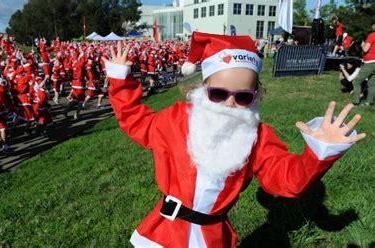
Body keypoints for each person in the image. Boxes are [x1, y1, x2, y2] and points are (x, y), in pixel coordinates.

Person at [103, 34, 366, 247]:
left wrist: (320, 153)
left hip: (213, 237)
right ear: (203, 88)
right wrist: (120, 80)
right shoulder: (176, 120)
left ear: (255, 95)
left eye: (242, 98)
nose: (230, 103)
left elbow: (287, 180)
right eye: (218, 93)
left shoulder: (258, 136)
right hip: (165, 232)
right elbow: (135, 119)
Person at [352, 20, 375, 106]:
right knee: (372, 83)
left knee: (357, 81)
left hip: (370, 62)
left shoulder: (372, 35)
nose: (371, 26)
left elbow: (365, 49)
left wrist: (362, 44)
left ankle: (355, 102)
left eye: (372, 25)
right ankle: (369, 102)